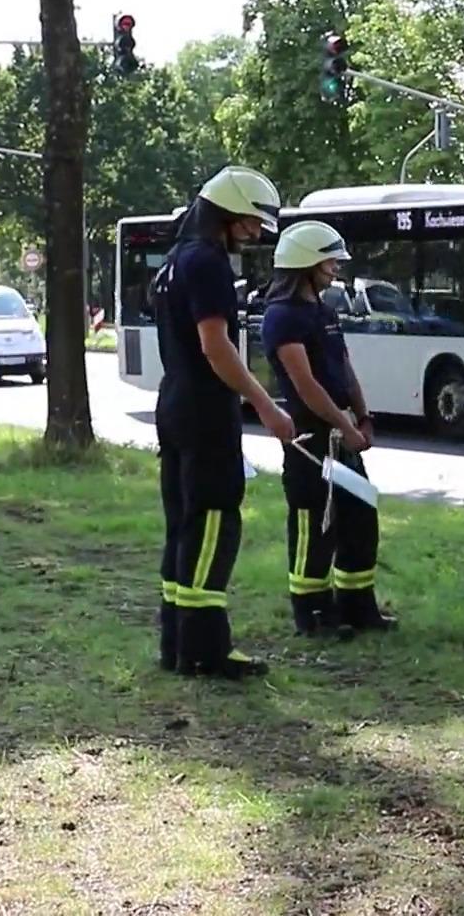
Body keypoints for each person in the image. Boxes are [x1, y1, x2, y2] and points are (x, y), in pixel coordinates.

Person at [152, 166, 297, 680]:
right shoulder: (208, 263)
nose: (257, 233)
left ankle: (176, 644)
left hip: (173, 403)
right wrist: (265, 403)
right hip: (206, 411)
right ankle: (205, 650)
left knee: (183, 523)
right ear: (228, 214)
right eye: (252, 222)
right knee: (215, 521)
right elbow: (216, 346)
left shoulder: (173, 261)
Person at [261, 220, 392, 639]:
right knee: (314, 524)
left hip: (342, 435)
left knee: (359, 518)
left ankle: (357, 607)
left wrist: (363, 415)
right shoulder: (282, 317)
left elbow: (343, 367)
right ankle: (313, 614)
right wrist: (343, 425)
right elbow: (306, 385)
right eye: (329, 260)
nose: (336, 268)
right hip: (310, 440)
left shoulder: (324, 311)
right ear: (305, 263)